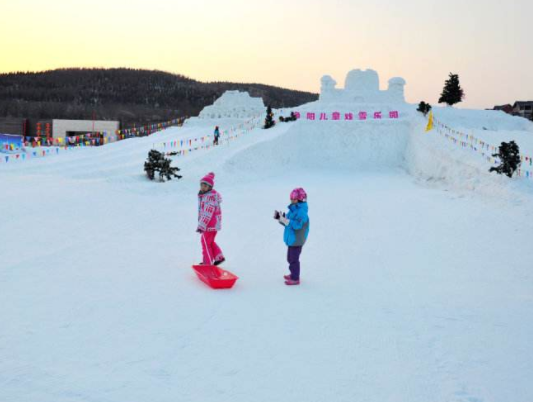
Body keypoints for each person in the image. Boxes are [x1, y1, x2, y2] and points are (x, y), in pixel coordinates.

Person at [274, 188, 310, 285]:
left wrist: (287, 221)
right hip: (292, 239)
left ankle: (295, 278)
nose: (292, 201)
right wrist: (281, 219)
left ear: (300, 199)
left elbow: (297, 225)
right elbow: (288, 223)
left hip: (297, 240)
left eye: (294, 199)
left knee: (293, 259)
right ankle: (293, 273)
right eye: (291, 199)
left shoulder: (302, 212)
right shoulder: (293, 210)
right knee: (290, 258)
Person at [197, 172, 225, 266]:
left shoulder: (209, 197)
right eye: (202, 185)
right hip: (213, 225)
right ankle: (218, 257)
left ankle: (207, 263)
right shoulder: (208, 196)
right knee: (209, 242)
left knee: (205, 243)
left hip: (209, 224)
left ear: (210, 187)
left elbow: (207, 213)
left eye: (206, 185)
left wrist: (201, 225)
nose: (203, 187)